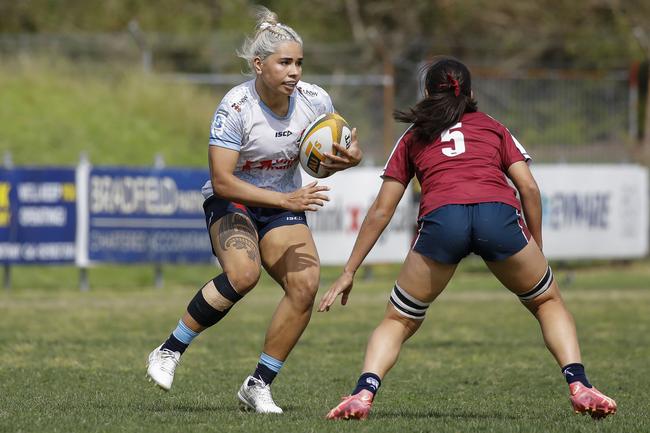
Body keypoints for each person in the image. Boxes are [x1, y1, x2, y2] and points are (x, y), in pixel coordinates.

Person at [318, 57, 617, 420]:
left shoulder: (414, 135)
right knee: (546, 301)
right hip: (497, 216)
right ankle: (579, 383)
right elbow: (529, 188)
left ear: (427, 93)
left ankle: (363, 393)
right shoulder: (492, 126)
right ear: (472, 93)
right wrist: (535, 246)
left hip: (444, 220)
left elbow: (382, 209)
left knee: (399, 319)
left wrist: (350, 270)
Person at [145, 6, 361, 414]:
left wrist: (349, 156)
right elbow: (223, 180)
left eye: (299, 62)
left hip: (281, 204)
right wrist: (286, 200)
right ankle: (169, 350)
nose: (294, 71)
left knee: (305, 283)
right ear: (259, 66)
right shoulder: (235, 107)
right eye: (284, 62)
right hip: (234, 200)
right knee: (244, 275)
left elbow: (346, 146)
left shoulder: (315, 100)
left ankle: (258, 384)